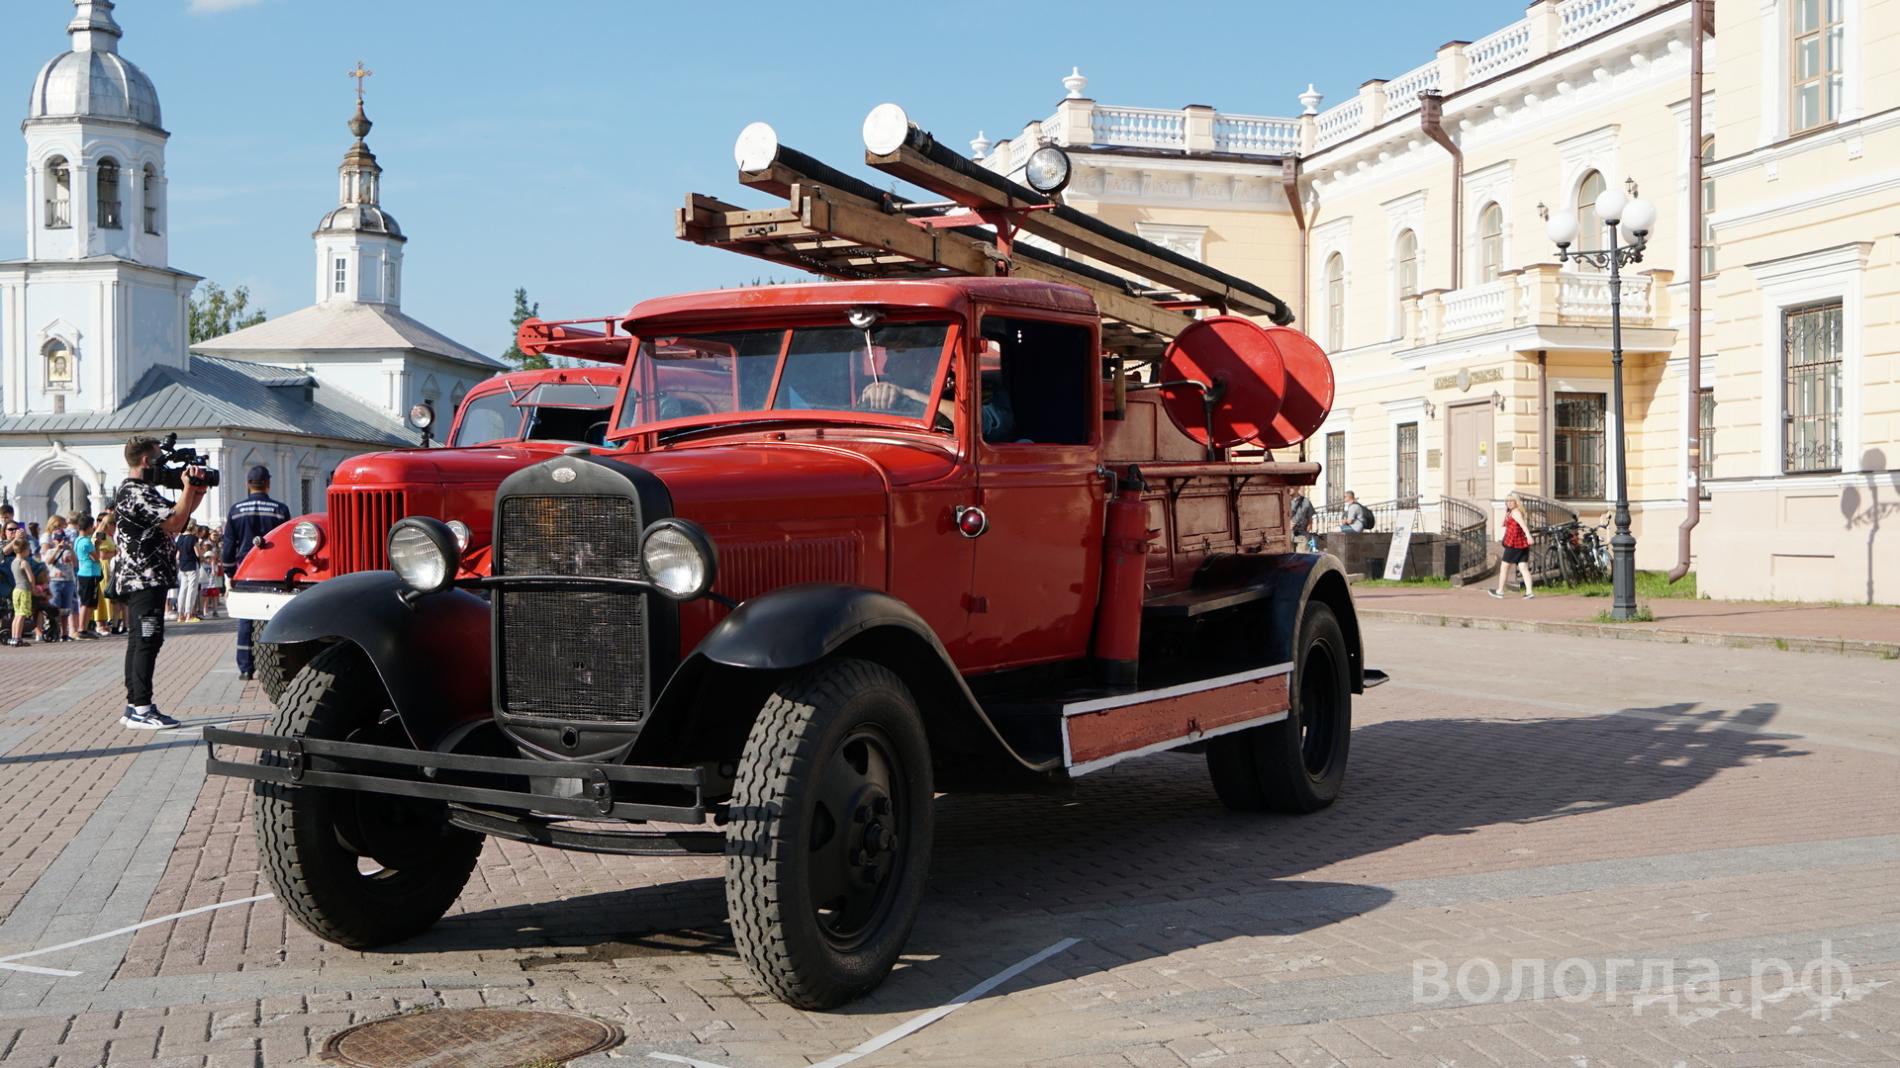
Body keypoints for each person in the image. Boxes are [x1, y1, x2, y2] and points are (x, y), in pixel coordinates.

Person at [114, 435, 210, 729]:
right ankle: (142, 708)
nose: (162, 465)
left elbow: (179, 515)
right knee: (146, 641)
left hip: (144, 578)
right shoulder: (137, 493)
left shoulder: (139, 491)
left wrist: (196, 491)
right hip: (145, 577)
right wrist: (186, 488)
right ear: (145, 460)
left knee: (139, 642)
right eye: (158, 458)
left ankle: (135, 706)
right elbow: (175, 522)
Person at [222, 466, 290, 680]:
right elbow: (286, 541)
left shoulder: (236, 510)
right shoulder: (280, 509)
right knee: (272, 617)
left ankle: (245, 667)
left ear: (247, 484)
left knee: (246, 618)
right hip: (273, 570)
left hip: (245, 569)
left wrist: (229, 572)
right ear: (267, 483)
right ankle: (271, 664)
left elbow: (228, 545)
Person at [1489, 493, 1536, 600]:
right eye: (1507, 501)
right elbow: (1502, 524)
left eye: (1511, 501)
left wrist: (1529, 536)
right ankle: (1529, 592)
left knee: (1504, 567)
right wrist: (1505, 512)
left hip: (1514, 544)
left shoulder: (1515, 513)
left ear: (1516, 502)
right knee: (1523, 567)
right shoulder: (1510, 512)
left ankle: (1500, 591)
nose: (1509, 503)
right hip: (1521, 544)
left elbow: (1524, 525)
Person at [41, 517, 75, 642]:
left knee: (66, 609)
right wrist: (57, 549)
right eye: (58, 538)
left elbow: (75, 563)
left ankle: (64, 633)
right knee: (54, 608)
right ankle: (52, 630)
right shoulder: (50, 549)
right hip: (55, 580)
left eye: (62, 538)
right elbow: (48, 561)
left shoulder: (68, 550)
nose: (60, 541)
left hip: (68, 580)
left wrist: (70, 548)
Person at [71, 512, 103, 639]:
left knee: (89, 602)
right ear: (89, 527)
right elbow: (96, 557)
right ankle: (82, 628)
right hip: (90, 573)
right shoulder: (86, 542)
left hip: (84, 572)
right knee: (86, 602)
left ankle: (84, 627)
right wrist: (97, 546)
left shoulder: (78, 540)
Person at [7, 538, 41, 648]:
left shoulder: (13, 562)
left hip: (16, 590)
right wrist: (34, 588)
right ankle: (18, 638)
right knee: (22, 614)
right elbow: (31, 578)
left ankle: (13, 637)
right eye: (28, 549)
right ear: (24, 550)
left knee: (17, 614)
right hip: (24, 590)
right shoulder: (24, 562)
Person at [94, 511, 122, 636]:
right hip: (104, 565)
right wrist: (116, 552)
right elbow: (101, 554)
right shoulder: (101, 534)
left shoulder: (108, 535)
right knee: (106, 593)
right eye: (114, 525)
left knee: (111, 595)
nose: (115, 528)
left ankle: (108, 622)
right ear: (109, 524)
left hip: (111, 565)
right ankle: (102, 623)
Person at [173, 522, 201, 623]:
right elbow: (198, 553)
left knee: (183, 589)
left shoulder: (179, 538)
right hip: (192, 564)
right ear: (193, 527)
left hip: (182, 565)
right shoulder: (193, 538)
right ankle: (189, 614)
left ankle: (180, 615)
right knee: (191, 590)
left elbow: (177, 555)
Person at [1289, 486, 1318, 552]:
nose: (1289, 489)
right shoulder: (1284, 500)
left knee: (1302, 558)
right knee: (1289, 559)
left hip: (1302, 535)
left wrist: (1308, 528)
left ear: (1297, 487)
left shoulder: (1306, 501)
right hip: (1288, 535)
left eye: (1291, 487)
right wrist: (1288, 524)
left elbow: (1310, 519)